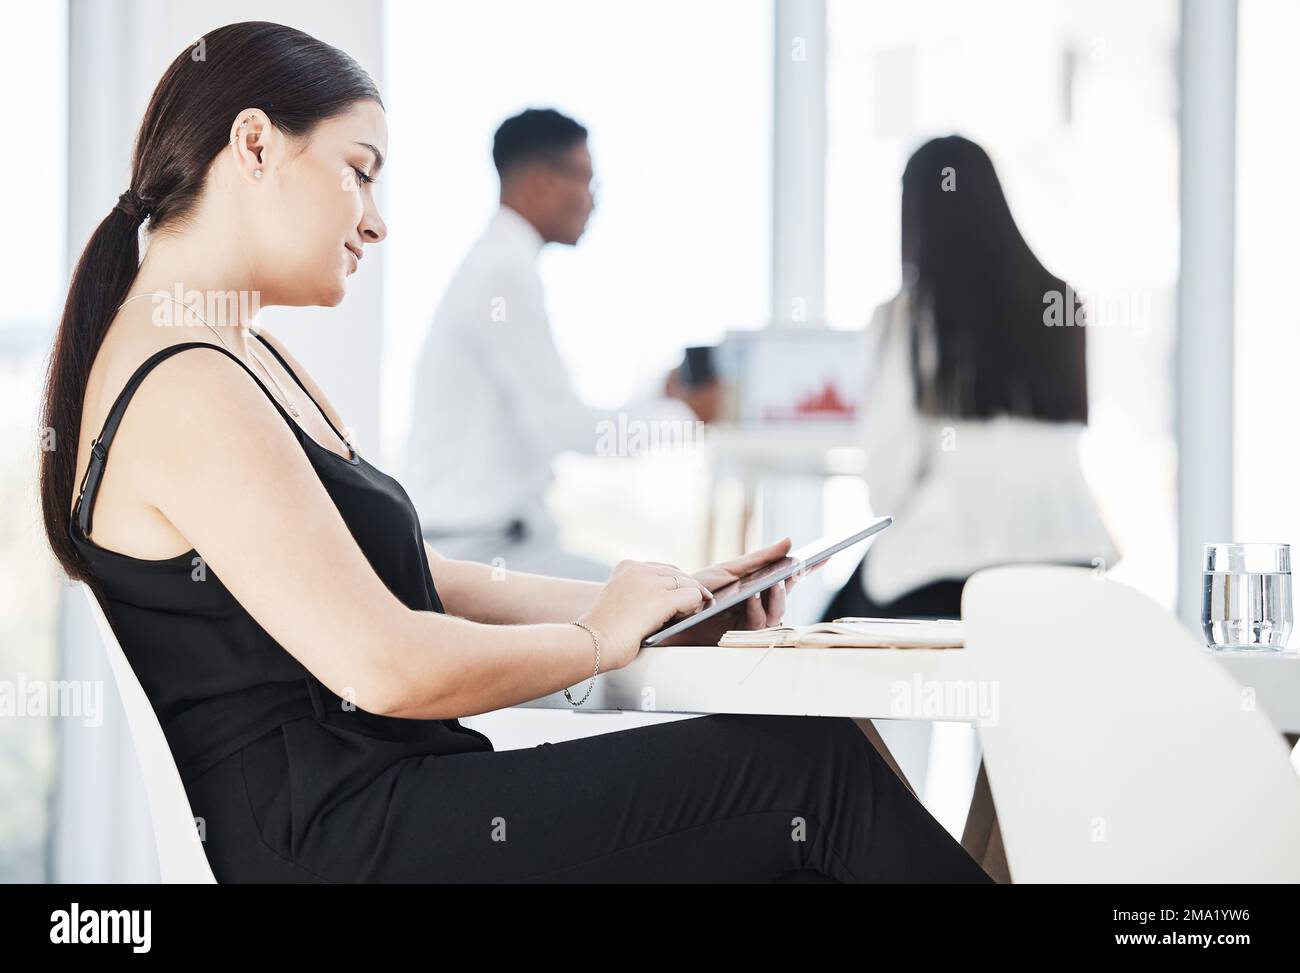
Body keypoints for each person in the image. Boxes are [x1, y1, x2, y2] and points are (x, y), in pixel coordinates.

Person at [39, 22, 990, 883]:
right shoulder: (184, 382)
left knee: (799, 788)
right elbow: (386, 665)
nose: (376, 218)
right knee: (806, 772)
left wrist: (664, 602)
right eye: (359, 170)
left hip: (391, 808)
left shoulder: (239, 354)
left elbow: (420, 577)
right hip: (345, 842)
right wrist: (596, 640)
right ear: (254, 145)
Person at [402, 108, 717, 582]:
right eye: (584, 178)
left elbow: (558, 419)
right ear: (539, 182)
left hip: (492, 545)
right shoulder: (502, 277)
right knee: (667, 608)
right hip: (481, 553)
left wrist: (662, 398)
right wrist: (685, 418)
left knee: (660, 598)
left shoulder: (498, 266)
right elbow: (567, 429)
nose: (593, 199)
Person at [822, 135, 1120, 624]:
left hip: (939, 579)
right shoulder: (1063, 305)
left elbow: (887, 482)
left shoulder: (909, 318)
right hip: (1070, 568)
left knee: (818, 654)